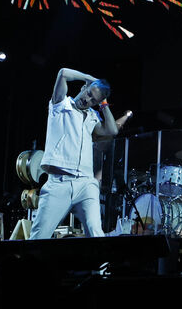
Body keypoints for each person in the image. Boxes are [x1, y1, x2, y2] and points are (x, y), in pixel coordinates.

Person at [30, 68, 122, 240]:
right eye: (88, 94)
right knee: (39, 237)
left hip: (86, 183)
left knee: (96, 233)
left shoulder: (92, 116)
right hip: (59, 183)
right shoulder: (60, 105)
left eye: (93, 100)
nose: (87, 100)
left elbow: (112, 130)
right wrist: (90, 78)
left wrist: (103, 104)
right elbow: (63, 73)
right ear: (83, 88)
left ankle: (101, 268)